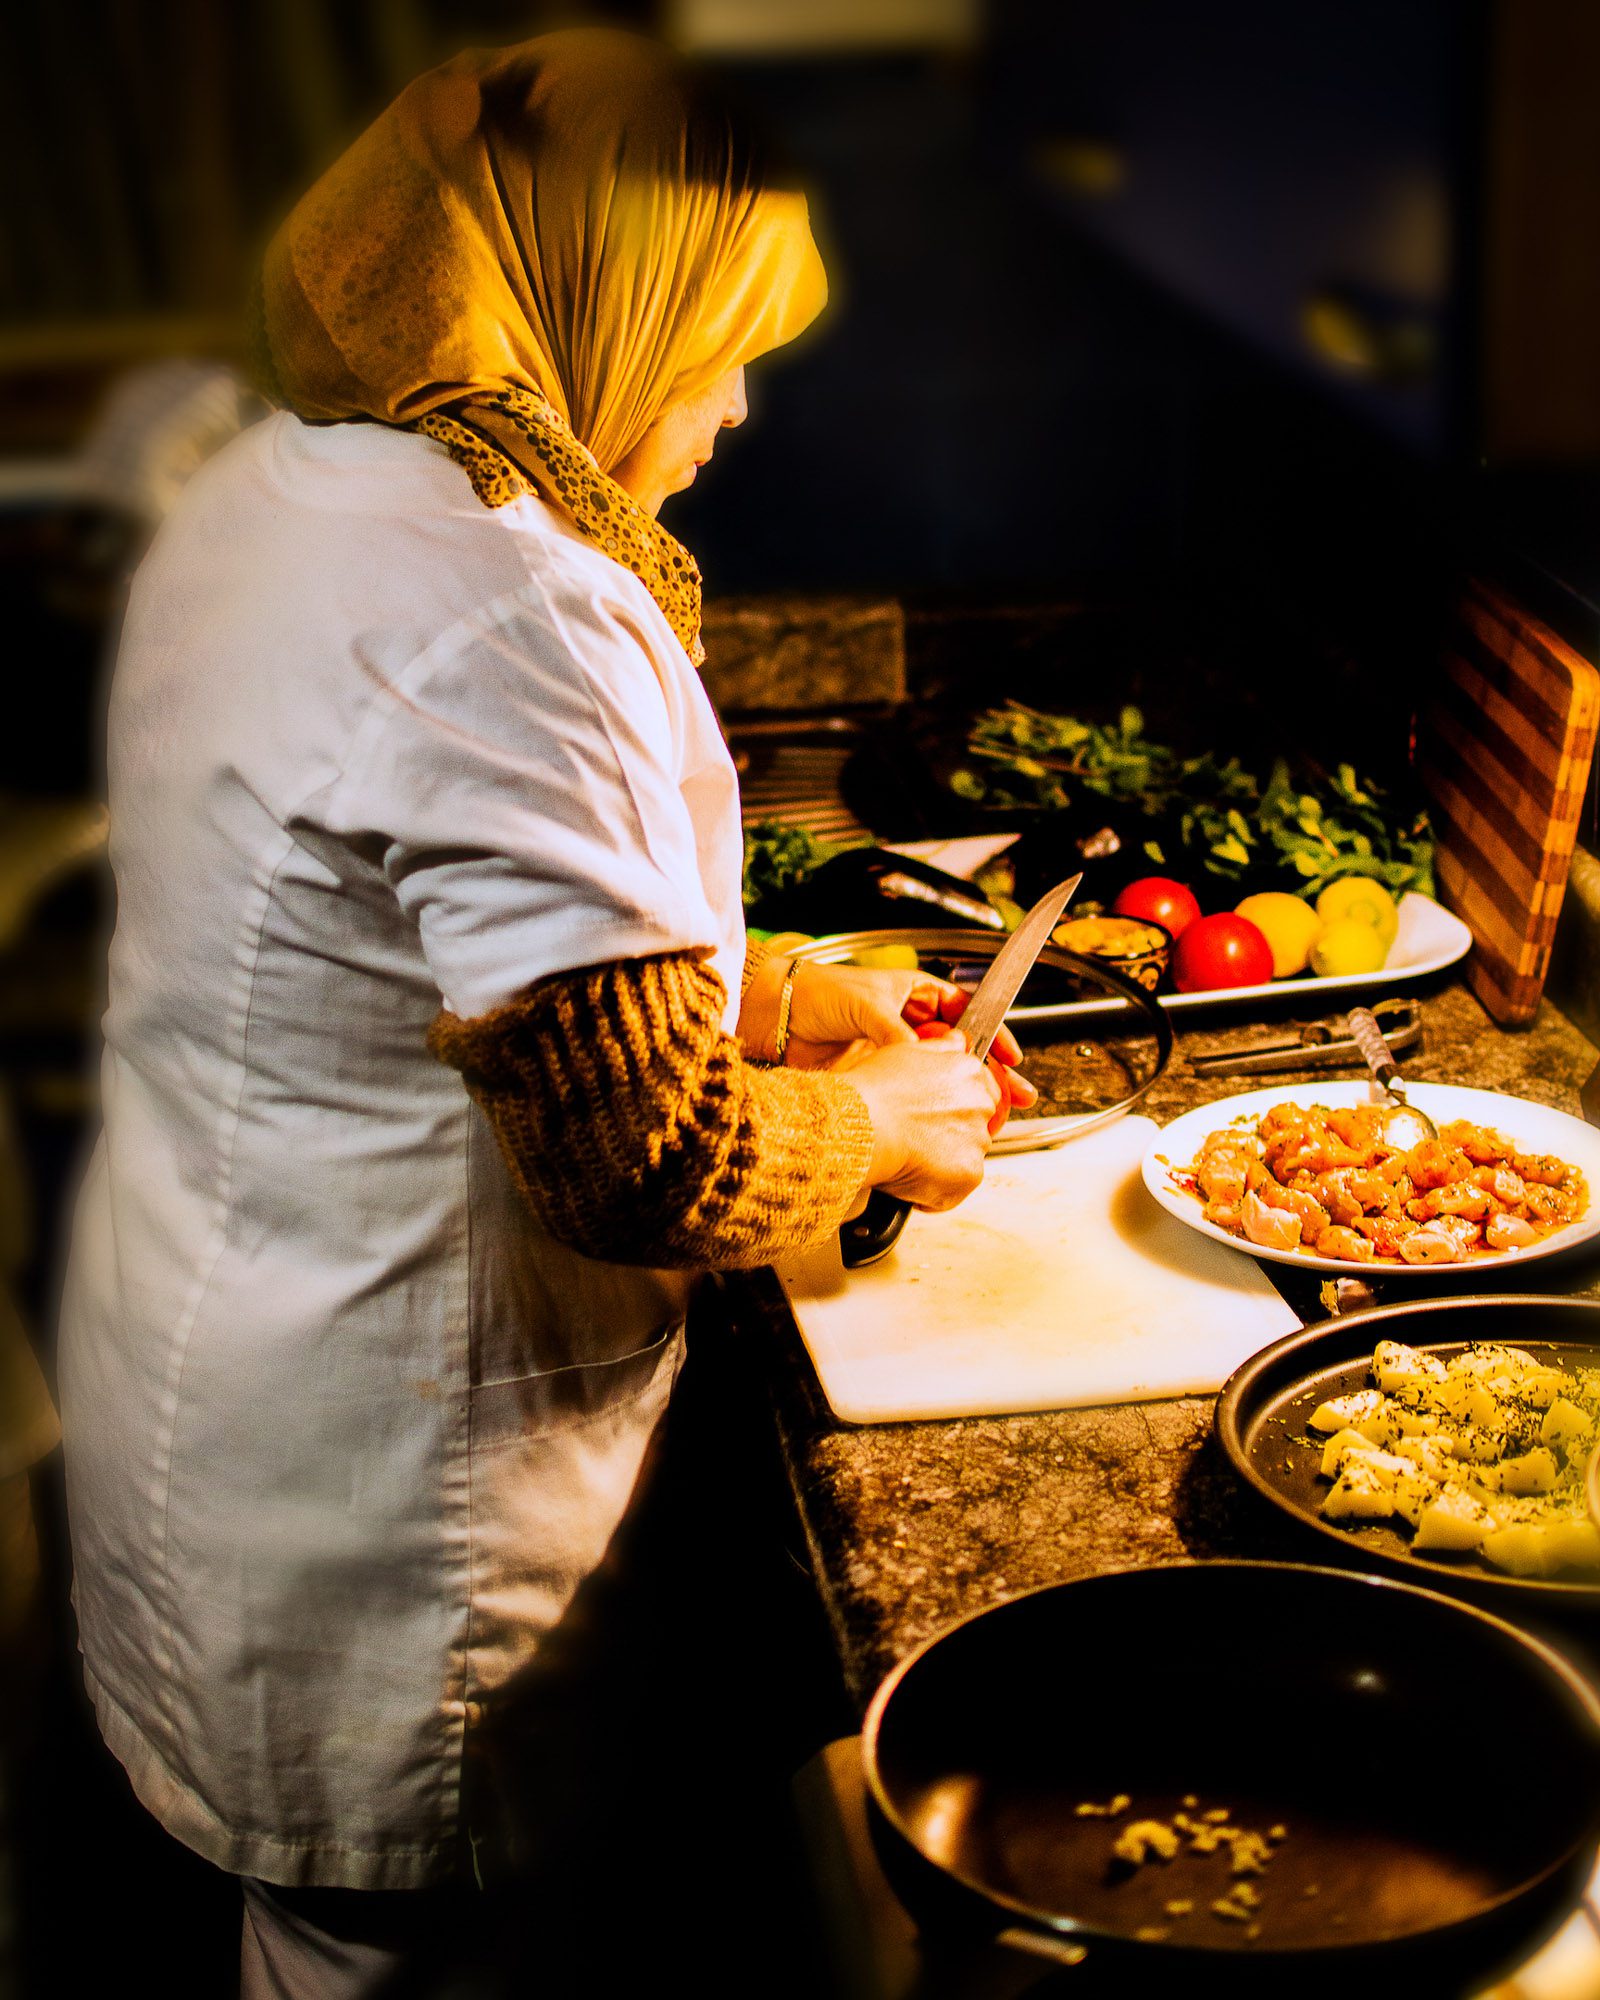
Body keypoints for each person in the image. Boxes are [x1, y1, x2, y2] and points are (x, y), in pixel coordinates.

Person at [57, 29, 1034, 1996]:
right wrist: (885, 1124)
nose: (735, 406)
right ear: (591, 305)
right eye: (717, 346)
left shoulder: (273, 492)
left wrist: (777, 992)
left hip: (237, 1382)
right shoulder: (509, 603)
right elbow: (636, 1153)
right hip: (393, 1513)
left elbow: (393, 940)